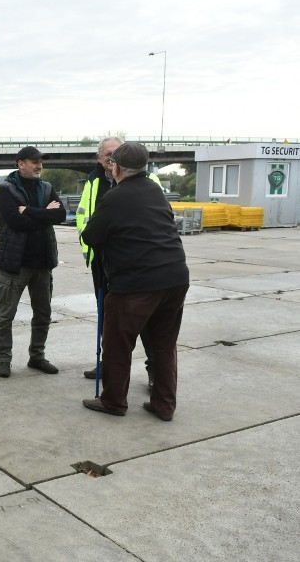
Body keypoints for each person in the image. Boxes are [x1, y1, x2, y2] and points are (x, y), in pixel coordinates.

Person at [80, 142, 189, 421]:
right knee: (164, 346)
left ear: (116, 167)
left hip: (135, 284)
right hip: (175, 277)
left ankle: (114, 402)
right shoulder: (155, 190)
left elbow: (91, 235)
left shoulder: (116, 197)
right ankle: (164, 406)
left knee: (118, 344)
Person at [77, 137, 161, 392]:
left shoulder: (148, 180)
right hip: (102, 262)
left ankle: (153, 370)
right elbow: (84, 217)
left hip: (135, 265)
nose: (113, 158)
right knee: (108, 318)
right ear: (99, 157)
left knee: (145, 321)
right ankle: (108, 365)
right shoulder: (93, 181)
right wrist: (90, 249)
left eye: (117, 153)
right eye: (108, 154)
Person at [0, 146, 66, 378]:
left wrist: (30, 211)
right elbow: (15, 222)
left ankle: (37, 356)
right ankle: (4, 359)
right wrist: (44, 214)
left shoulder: (47, 187)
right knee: (6, 315)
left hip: (43, 263)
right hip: (15, 264)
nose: (39, 165)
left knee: (43, 313)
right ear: (20, 163)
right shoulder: (7, 189)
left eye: (40, 161)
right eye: (34, 161)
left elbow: (61, 215)